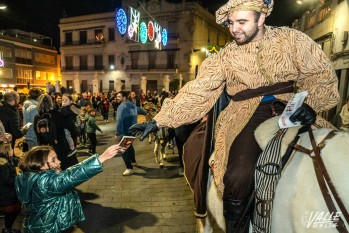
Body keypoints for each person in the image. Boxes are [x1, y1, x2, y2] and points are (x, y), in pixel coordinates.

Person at [128, 0, 340, 232]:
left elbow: (320, 73)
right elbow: (199, 90)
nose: (234, 28)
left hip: (293, 106)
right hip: (246, 113)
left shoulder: (292, 39)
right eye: (231, 22)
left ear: (261, 19)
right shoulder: (225, 57)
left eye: (242, 22)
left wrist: (311, 105)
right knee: (238, 176)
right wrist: (158, 120)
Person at [15, 144, 124, 233]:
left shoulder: (31, 176)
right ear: (40, 165)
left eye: (56, 158)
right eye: (53, 160)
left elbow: (68, 173)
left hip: (45, 225)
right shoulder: (44, 182)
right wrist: (102, 158)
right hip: (47, 229)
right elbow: (70, 177)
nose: (59, 162)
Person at [115, 91, 146, 176]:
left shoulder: (121, 107)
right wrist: (147, 113)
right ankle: (133, 162)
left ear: (124, 97)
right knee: (130, 147)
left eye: (118, 96)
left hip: (124, 131)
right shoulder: (132, 105)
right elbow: (141, 111)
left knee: (123, 150)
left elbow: (119, 120)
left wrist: (117, 133)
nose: (116, 98)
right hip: (132, 131)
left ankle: (129, 168)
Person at [0, 120, 21, 233]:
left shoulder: (5, 159)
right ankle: (7, 229)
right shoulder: (2, 163)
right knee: (14, 208)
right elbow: (6, 179)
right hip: (7, 194)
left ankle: (7, 228)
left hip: (8, 192)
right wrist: (19, 178)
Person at [0, 91, 30, 156]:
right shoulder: (11, 113)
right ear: (14, 100)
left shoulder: (2, 107)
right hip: (7, 144)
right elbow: (17, 134)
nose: (19, 101)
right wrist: (25, 129)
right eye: (18, 99)